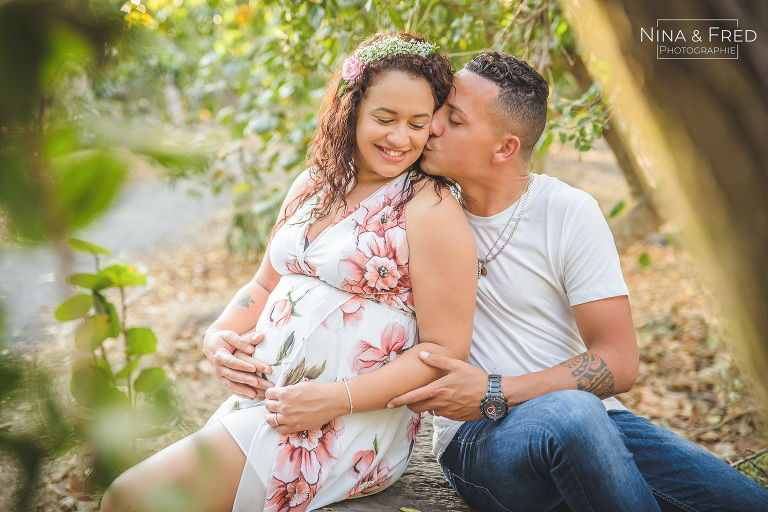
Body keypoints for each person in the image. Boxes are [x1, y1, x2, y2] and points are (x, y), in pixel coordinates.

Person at [216, 52, 768, 511]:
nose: (429, 127)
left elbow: (619, 363)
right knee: (572, 416)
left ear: (504, 147)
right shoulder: (416, 207)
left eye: (451, 120)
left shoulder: (567, 212)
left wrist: (496, 390)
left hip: (594, 422)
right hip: (482, 441)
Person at [100, 33, 477, 512]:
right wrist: (217, 337)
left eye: (417, 123)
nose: (400, 137)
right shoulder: (313, 184)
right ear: (351, 109)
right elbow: (265, 282)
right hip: (268, 405)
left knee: (128, 498)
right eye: (385, 118)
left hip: (343, 426)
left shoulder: (428, 206)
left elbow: (444, 352)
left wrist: (335, 399)